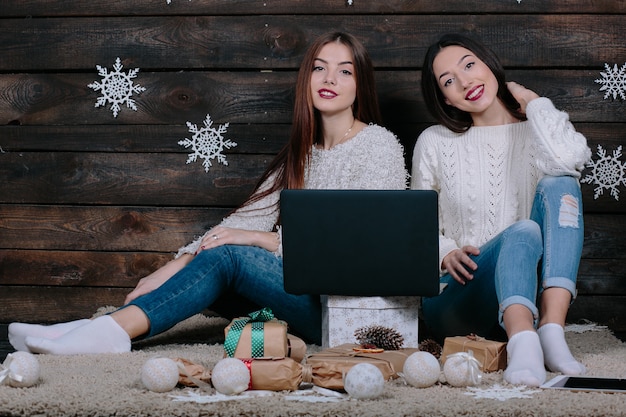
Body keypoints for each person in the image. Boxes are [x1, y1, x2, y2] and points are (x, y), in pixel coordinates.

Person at [9, 31, 408, 355]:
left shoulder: (379, 146)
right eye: (319, 69)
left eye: (344, 71)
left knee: (231, 255)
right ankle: (94, 328)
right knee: (216, 258)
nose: (329, 80)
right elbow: (238, 224)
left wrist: (260, 240)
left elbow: (360, 246)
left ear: (361, 84)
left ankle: (109, 333)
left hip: (343, 309)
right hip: (302, 294)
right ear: (306, 78)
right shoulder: (300, 154)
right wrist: (171, 267)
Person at [411, 33, 591, 387]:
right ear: (445, 98)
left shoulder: (537, 133)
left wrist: (534, 103)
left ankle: (551, 332)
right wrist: (444, 253)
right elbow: (415, 225)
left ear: (488, 63)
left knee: (562, 183)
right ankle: (525, 343)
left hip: (529, 292)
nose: (465, 82)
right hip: (460, 295)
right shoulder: (435, 141)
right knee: (523, 230)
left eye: (469, 65)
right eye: (449, 81)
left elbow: (568, 161)